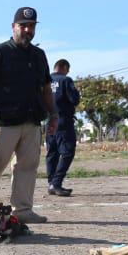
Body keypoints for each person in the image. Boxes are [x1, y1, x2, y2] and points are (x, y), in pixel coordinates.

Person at [0, 7, 58, 223]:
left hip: (32, 122)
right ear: (13, 27)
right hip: (3, 122)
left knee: (27, 167)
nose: (27, 30)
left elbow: (46, 89)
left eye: (31, 26)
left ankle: (22, 211)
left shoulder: (39, 55)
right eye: (23, 25)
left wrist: (54, 115)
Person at [46, 59, 80, 197]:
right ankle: (56, 183)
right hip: (63, 121)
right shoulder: (66, 80)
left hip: (49, 122)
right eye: (68, 69)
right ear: (64, 67)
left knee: (52, 153)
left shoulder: (46, 80)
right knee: (67, 152)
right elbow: (74, 99)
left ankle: (51, 184)